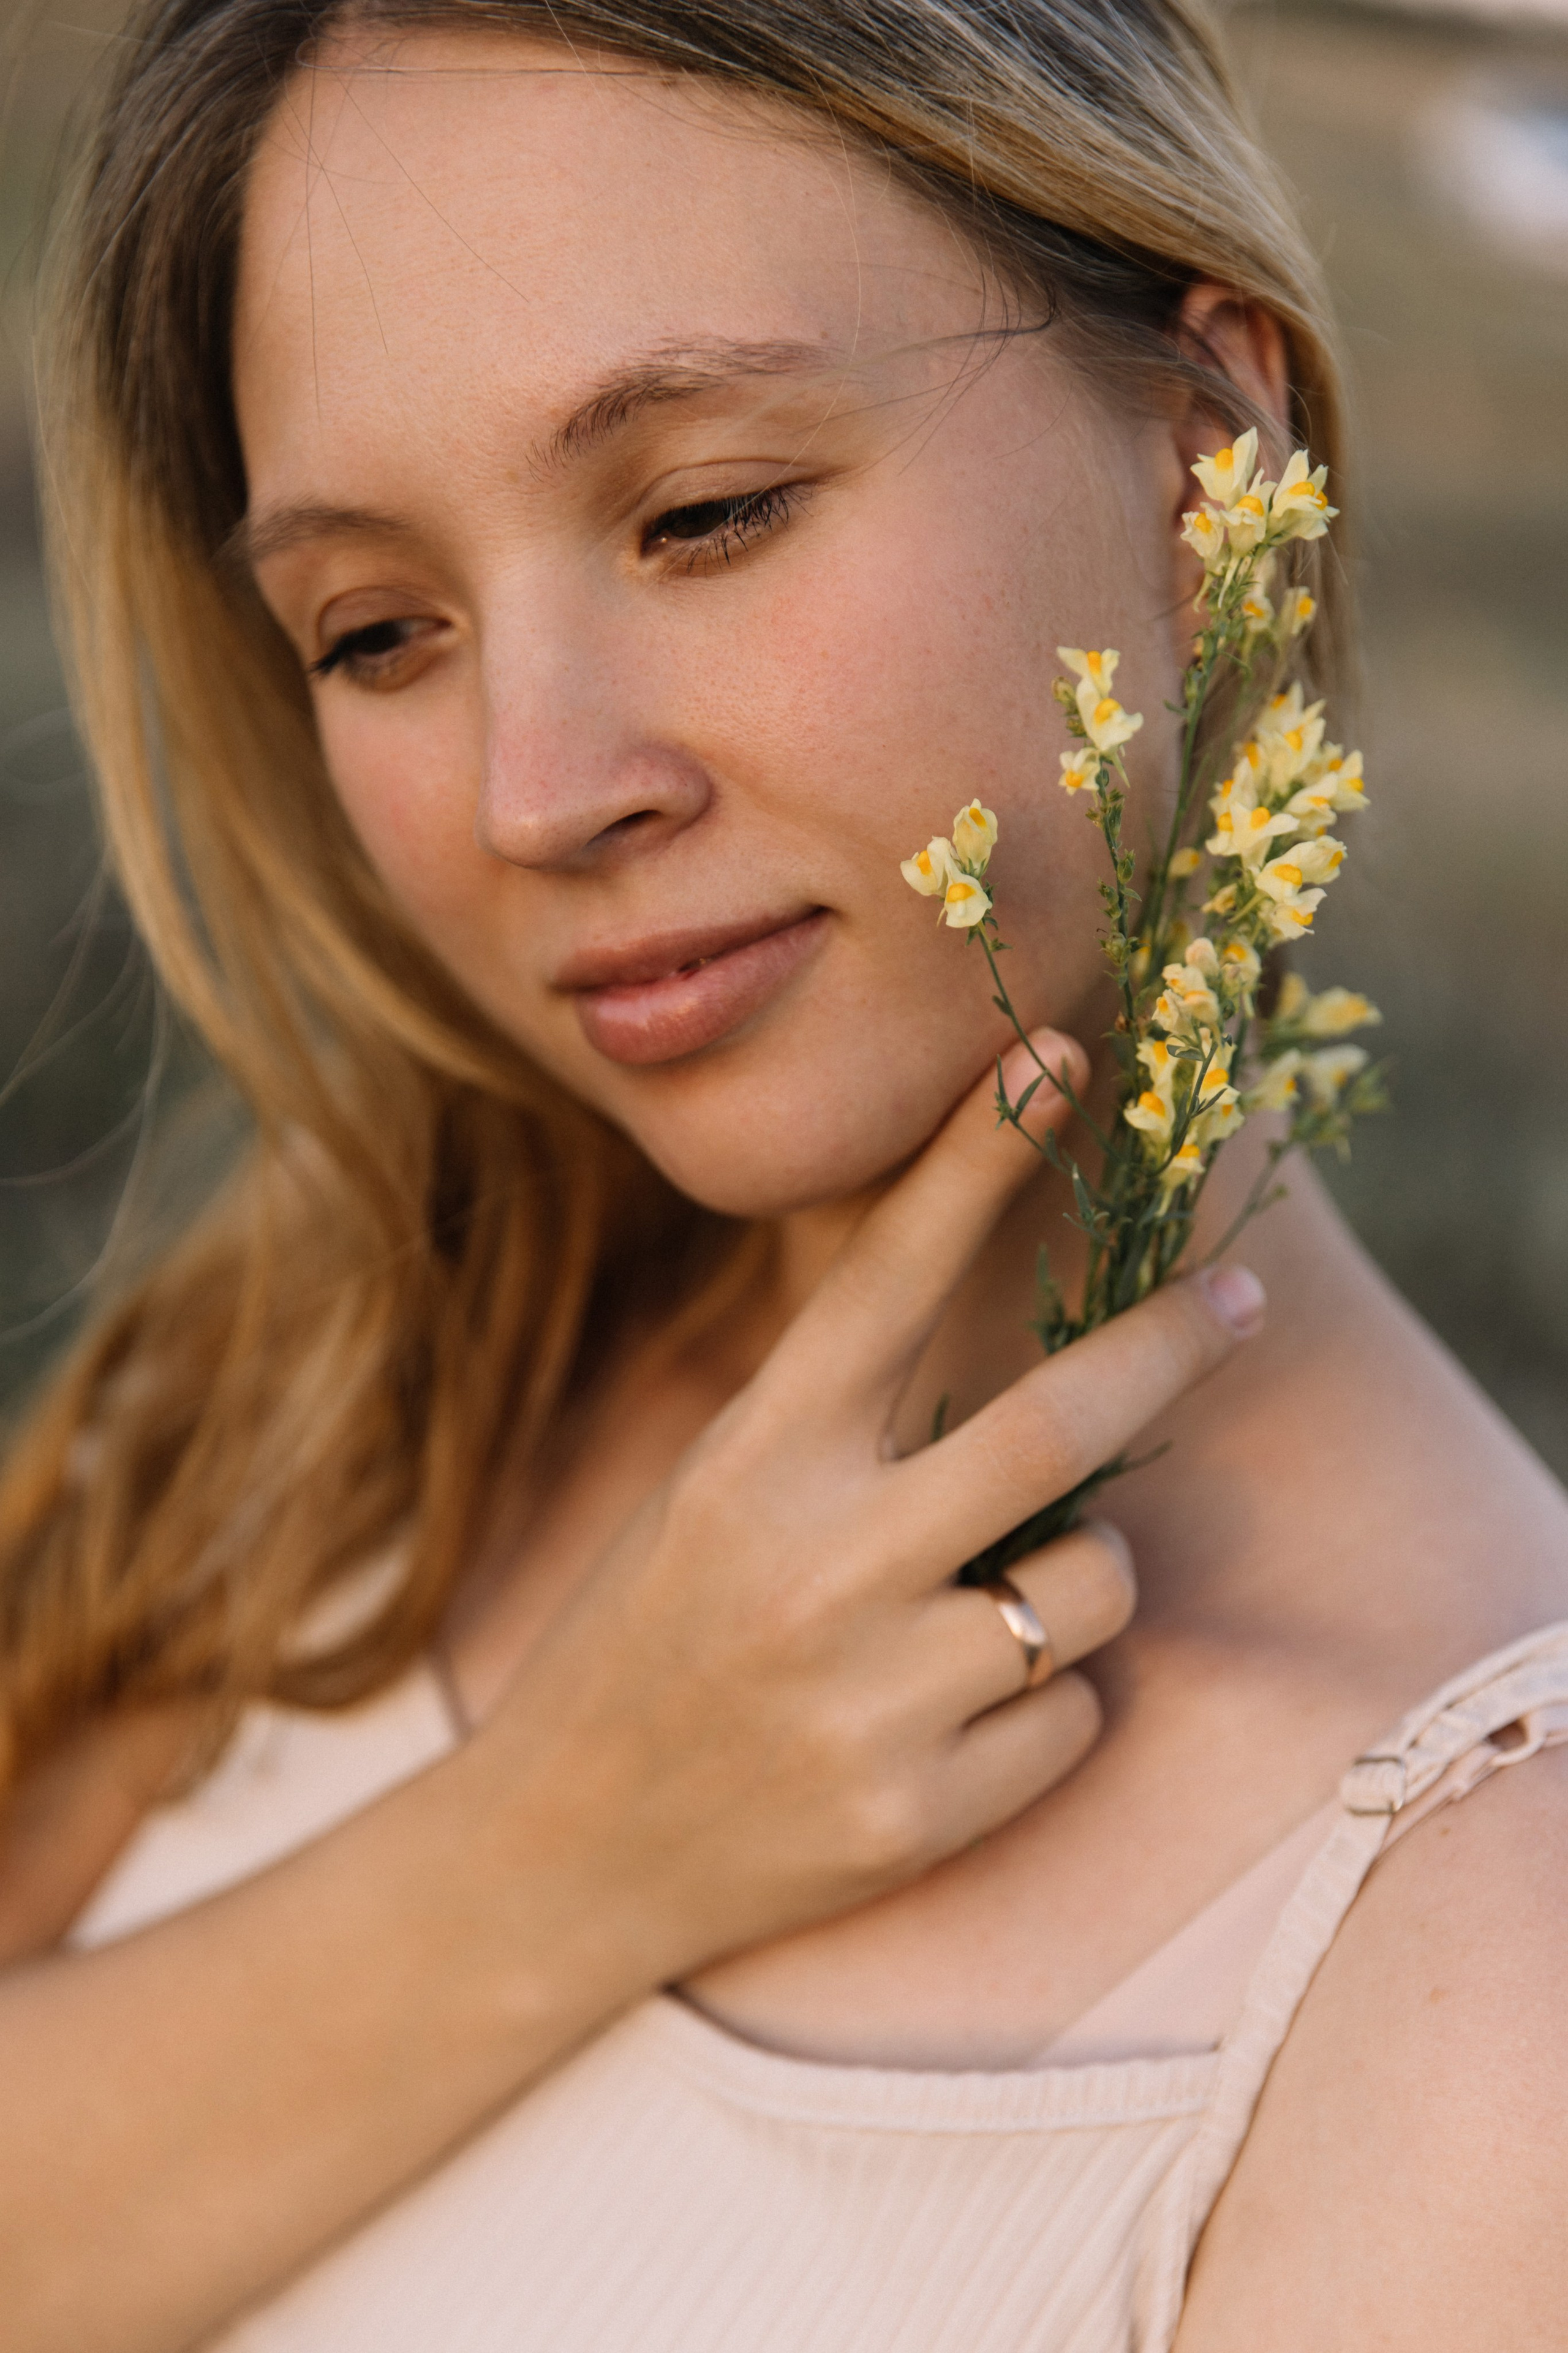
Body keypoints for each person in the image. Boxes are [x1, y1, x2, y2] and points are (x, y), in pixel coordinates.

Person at [2, 0, 1566, 2344]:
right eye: (381, 631)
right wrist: (565, 1844)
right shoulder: (321, 1387)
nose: (540, 789)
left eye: (704, 509)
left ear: (1208, 447)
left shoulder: (1489, 1967)